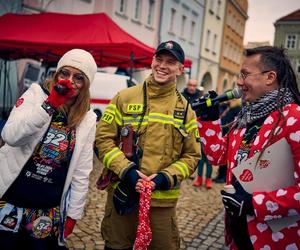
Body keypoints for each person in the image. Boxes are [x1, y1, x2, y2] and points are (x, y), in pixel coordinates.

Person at [95, 40, 200, 250]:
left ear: (180, 69)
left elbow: (192, 156)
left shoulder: (186, 110)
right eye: (158, 59)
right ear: (152, 61)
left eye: (170, 62)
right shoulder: (123, 98)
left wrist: (164, 178)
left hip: (161, 206)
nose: (162, 65)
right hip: (122, 197)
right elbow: (102, 140)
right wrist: (127, 171)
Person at [196, 46, 300, 249]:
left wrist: (254, 202)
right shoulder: (246, 117)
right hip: (239, 235)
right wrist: (209, 120)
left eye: (245, 74)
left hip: (274, 240)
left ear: (270, 77)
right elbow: (217, 156)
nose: (239, 82)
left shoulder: (295, 119)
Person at [0, 49, 97, 250]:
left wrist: (73, 214)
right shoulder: (36, 95)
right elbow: (10, 136)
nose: (70, 81)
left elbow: (82, 170)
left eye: (78, 77)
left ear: (86, 84)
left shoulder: (87, 118)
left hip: (47, 209)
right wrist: (49, 105)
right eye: (65, 73)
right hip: (10, 200)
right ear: (57, 74)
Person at [213, 99, 242, 184]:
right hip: (224, 134)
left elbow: (235, 122)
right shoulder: (228, 107)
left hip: (230, 135)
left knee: (226, 159)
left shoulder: (237, 109)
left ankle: (223, 177)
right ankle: (219, 175)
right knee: (222, 156)